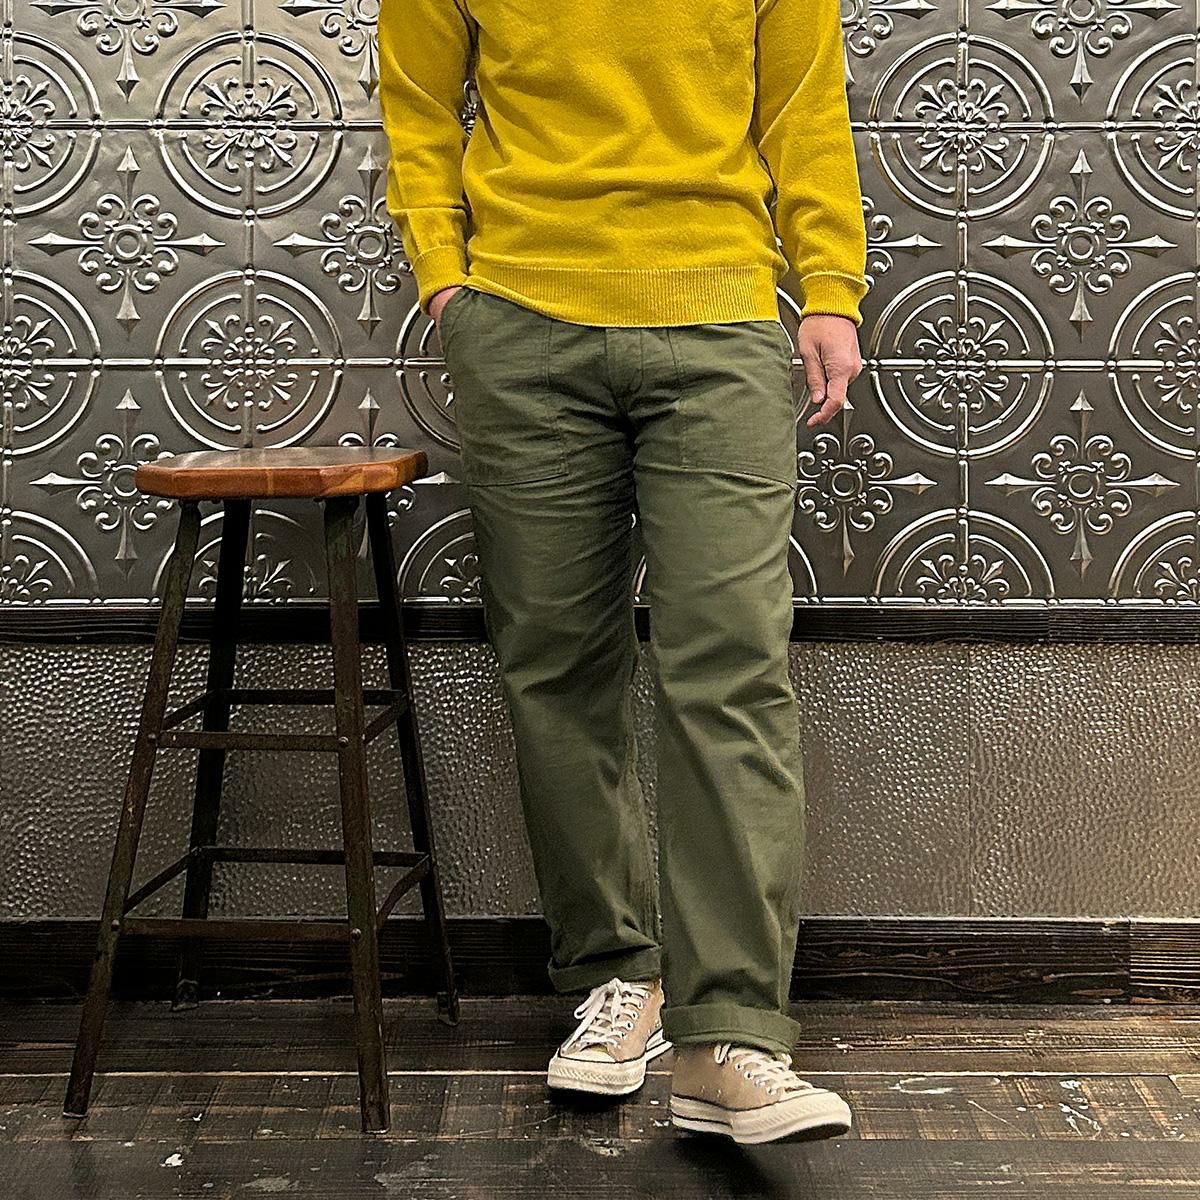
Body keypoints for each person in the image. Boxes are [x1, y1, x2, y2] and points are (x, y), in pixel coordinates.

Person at [379, 0, 867, 1145]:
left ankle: (729, 1034)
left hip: (720, 319)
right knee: (555, 665)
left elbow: (804, 107)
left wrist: (830, 285)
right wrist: (444, 278)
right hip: (521, 325)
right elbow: (416, 103)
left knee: (731, 669)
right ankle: (617, 980)